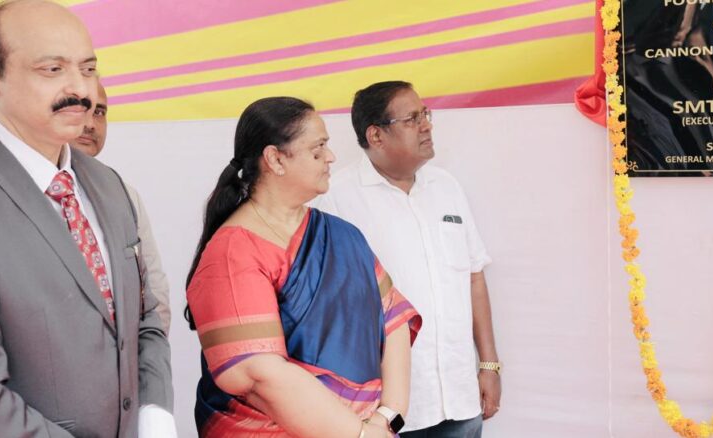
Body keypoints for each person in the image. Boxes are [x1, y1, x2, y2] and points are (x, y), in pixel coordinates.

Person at [0, 1, 173, 437]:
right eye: (52, 69)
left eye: (88, 69)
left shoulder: (107, 185)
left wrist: (154, 415)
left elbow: (144, 318)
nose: (80, 89)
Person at [185, 96, 421, 437]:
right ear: (275, 159)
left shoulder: (343, 235)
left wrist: (387, 416)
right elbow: (259, 375)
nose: (331, 157)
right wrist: (359, 434)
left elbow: (394, 319)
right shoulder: (232, 253)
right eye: (318, 148)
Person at [316, 81, 501, 437]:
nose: (426, 125)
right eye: (412, 118)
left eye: (425, 114)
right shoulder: (336, 200)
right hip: (385, 409)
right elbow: (329, 307)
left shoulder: (446, 187)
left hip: (460, 396)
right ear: (376, 136)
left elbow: (473, 276)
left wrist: (489, 365)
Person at [71, 83, 173, 333]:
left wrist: (147, 366)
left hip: (124, 364)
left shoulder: (123, 194)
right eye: (81, 110)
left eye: (99, 112)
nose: (91, 124)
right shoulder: (22, 192)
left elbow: (153, 293)